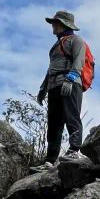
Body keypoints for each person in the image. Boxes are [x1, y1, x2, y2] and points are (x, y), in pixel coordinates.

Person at [34, 9, 87, 169]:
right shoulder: (56, 45)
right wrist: (43, 89)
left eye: (55, 23)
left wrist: (70, 79)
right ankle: (50, 160)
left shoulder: (76, 41)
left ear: (63, 24)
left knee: (72, 117)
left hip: (70, 84)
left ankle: (74, 150)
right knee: (54, 123)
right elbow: (51, 68)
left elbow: (79, 61)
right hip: (54, 86)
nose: (53, 26)